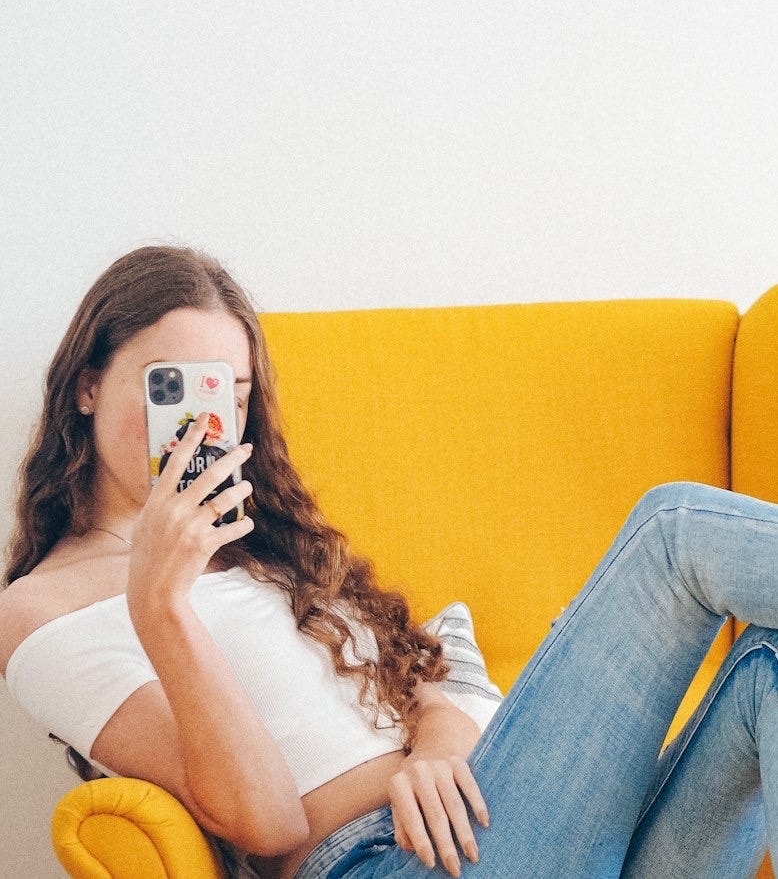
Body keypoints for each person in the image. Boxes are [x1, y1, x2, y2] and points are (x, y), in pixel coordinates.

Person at [3, 249, 778, 879]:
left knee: (766, 670)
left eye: (230, 393)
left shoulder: (270, 551)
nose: (205, 422)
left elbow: (429, 671)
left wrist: (438, 746)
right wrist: (161, 603)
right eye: (174, 387)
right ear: (86, 385)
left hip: (488, 821)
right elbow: (267, 819)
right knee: (673, 529)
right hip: (381, 865)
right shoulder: (41, 608)